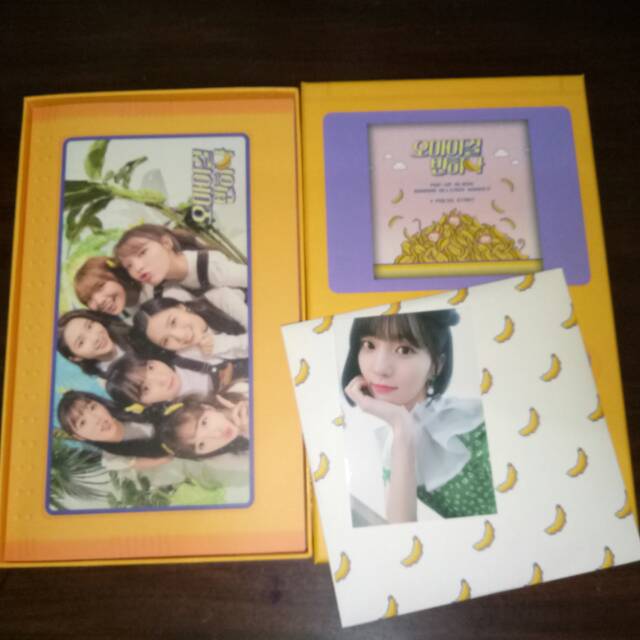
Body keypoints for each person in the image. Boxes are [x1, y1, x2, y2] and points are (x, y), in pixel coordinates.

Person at [341, 309, 495, 523]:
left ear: (436, 365)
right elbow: (401, 531)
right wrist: (401, 424)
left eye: (404, 350)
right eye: (369, 345)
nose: (380, 368)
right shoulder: (393, 442)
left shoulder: (479, 427)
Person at [113, 224, 247, 297]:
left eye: (142, 252)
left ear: (166, 243)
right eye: (129, 266)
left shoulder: (211, 266)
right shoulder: (157, 289)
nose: (137, 268)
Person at [57, 390, 172, 470]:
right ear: (79, 437)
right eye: (83, 422)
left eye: (92, 407)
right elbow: (165, 459)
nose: (96, 419)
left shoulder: (132, 408)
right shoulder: (113, 459)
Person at [132, 296, 248, 364]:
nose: (180, 336)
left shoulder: (221, 299)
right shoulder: (187, 354)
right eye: (165, 341)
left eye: (173, 322)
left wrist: (221, 343)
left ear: (181, 307)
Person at [105, 353, 247, 406]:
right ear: (144, 404)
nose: (162, 378)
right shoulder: (185, 411)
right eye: (146, 388)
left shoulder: (186, 355)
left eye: (151, 368)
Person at [157, 391, 250, 460]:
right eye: (201, 445)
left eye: (204, 423)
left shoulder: (244, 390)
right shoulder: (237, 456)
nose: (215, 436)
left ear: (207, 407)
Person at [57, 310, 133, 377]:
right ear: (76, 357)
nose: (95, 338)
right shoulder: (112, 382)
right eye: (81, 342)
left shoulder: (131, 327)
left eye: (89, 326)